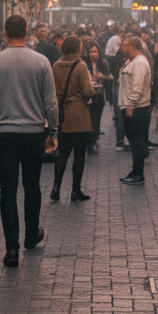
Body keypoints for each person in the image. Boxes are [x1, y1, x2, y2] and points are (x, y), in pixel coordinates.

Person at [0, 15, 58, 267]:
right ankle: (31, 234)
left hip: (5, 132)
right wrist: (53, 131)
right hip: (33, 132)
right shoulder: (41, 62)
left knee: (8, 190)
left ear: (5, 33)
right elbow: (51, 102)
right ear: (27, 32)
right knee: (32, 185)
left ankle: (11, 248)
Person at [51, 35, 97, 202]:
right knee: (79, 155)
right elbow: (87, 91)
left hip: (62, 114)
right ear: (78, 48)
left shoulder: (56, 65)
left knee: (62, 153)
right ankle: (75, 191)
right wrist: (93, 91)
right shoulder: (81, 65)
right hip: (78, 114)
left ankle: (56, 188)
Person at [117, 35, 153, 185]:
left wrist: (130, 106)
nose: (122, 49)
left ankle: (139, 174)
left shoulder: (139, 63)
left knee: (137, 142)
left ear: (131, 45)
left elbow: (137, 87)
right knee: (134, 142)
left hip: (136, 109)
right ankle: (135, 170)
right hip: (130, 106)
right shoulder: (131, 61)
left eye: (124, 45)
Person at [84, 43, 112, 154]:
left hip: (99, 96)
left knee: (96, 120)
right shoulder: (85, 64)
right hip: (88, 96)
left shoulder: (103, 64)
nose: (93, 54)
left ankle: (94, 140)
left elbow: (110, 77)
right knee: (89, 120)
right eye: (91, 52)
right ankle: (89, 142)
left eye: (95, 52)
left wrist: (103, 77)